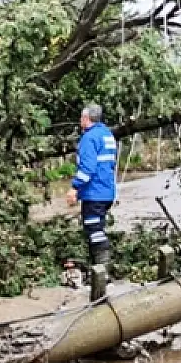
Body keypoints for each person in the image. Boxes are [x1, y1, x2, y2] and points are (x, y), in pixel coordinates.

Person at [66, 103, 118, 302]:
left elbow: (87, 168)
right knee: (96, 229)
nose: (80, 122)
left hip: (94, 193)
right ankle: (98, 275)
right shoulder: (107, 135)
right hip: (106, 191)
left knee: (94, 231)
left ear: (86, 119)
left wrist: (74, 188)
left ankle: (102, 276)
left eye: (81, 118)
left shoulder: (89, 138)